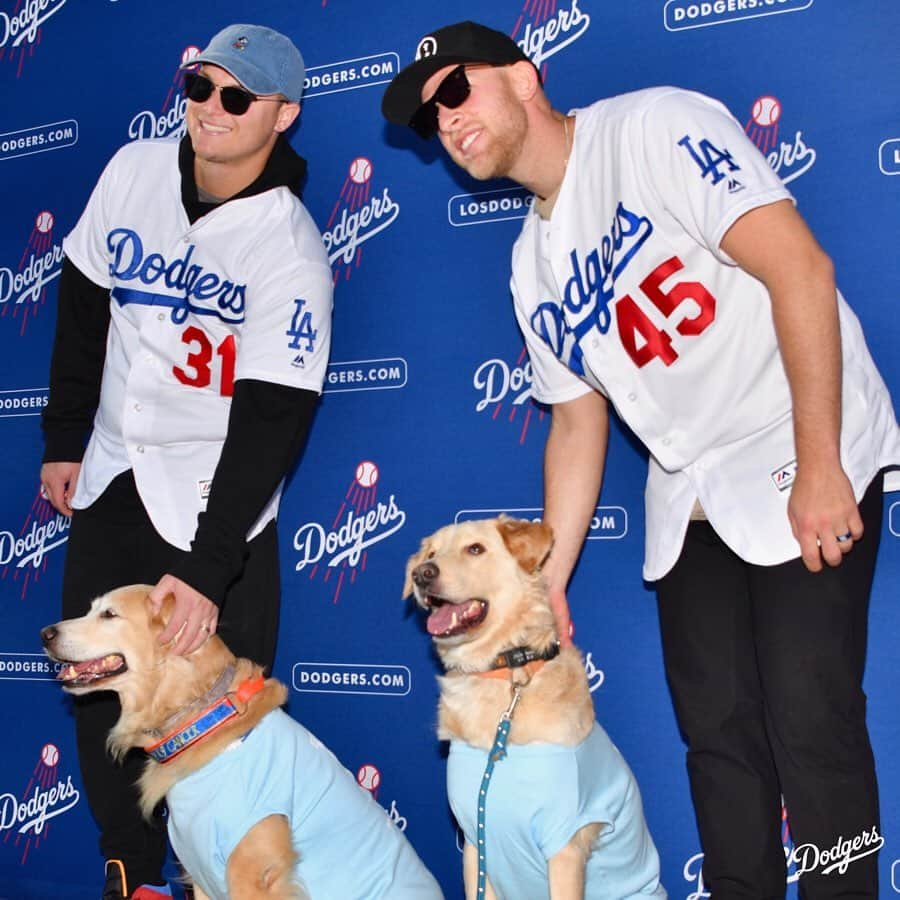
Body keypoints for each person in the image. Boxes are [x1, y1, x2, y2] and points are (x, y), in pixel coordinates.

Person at [382, 20, 900, 900]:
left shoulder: (653, 128)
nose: (447, 119)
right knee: (720, 742)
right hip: (689, 489)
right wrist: (547, 585)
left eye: (457, 89)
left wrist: (822, 464)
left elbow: (800, 270)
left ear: (522, 75)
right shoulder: (529, 264)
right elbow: (577, 427)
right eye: (429, 116)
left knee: (812, 728)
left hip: (799, 441)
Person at [40, 23, 332, 900]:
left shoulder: (289, 244)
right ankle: (130, 879)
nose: (211, 109)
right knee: (101, 695)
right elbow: (85, 301)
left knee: (220, 729)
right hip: (112, 473)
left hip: (217, 504)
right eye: (200, 88)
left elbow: (271, 421)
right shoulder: (134, 170)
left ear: (281, 115)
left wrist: (207, 570)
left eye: (236, 97)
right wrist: (63, 438)